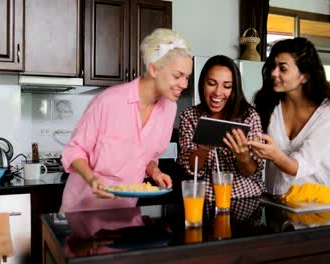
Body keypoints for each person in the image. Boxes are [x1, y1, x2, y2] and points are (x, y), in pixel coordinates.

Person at [60, 28, 193, 212]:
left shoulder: (169, 108)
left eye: (187, 77)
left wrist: (154, 171)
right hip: (83, 211)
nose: (184, 84)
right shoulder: (109, 101)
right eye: (177, 76)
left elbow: (148, 156)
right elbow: (74, 150)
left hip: (125, 211)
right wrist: (92, 179)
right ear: (153, 69)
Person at [249, 37, 330, 195]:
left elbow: (302, 165)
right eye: (273, 66)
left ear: (305, 76)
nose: (274, 73)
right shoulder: (267, 106)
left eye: (283, 68)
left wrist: (275, 155)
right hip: (279, 202)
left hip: (319, 202)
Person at [178, 55, 265, 201]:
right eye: (212, 83)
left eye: (227, 86)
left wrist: (243, 158)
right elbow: (190, 170)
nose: (218, 92)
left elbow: (251, 171)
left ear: (234, 89)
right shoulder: (189, 116)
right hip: (203, 201)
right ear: (202, 84)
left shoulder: (249, 116)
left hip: (245, 199)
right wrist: (203, 149)